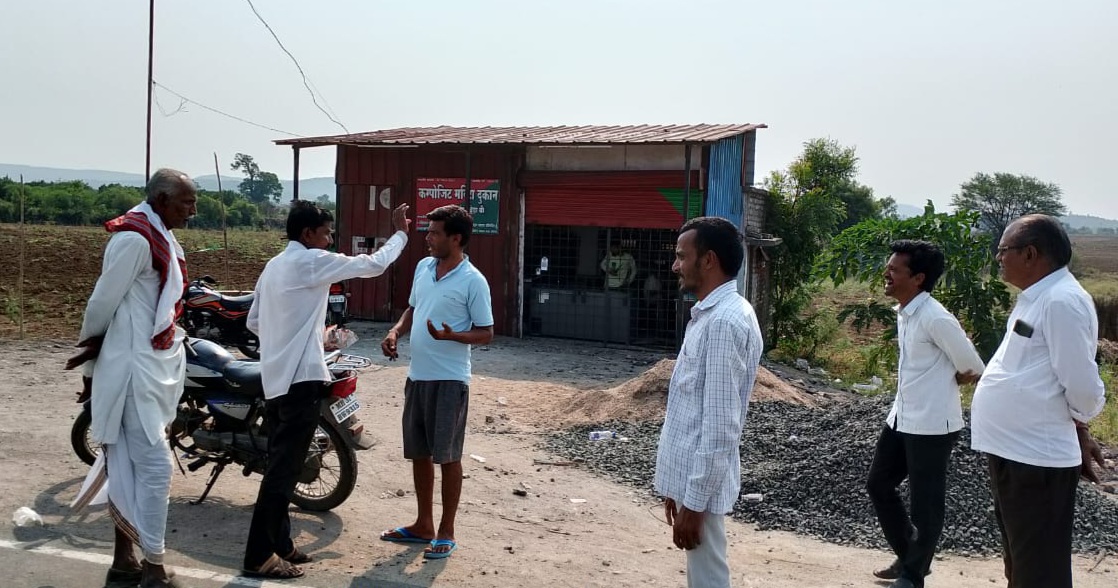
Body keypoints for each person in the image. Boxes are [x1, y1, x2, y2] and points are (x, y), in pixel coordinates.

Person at [241, 200, 410, 579]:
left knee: (283, 465)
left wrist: (304, 337)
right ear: (308, 235)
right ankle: (258, 556)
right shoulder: (311, 261)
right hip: (301, 380)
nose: (331, 239)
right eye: (327, 233)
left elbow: (254, 321)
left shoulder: (275, 265)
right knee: (282, 473)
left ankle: (282, 544)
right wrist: (401, 233)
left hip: (276, 378)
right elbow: (373, 265)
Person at [66, 168, 198, 588]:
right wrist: (90, 371)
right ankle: (154, 567)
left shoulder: (157, 232)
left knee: (124, 465)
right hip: (130, 371)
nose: (193, 211)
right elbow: (99, 307)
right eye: (186, 203)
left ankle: (124, 561)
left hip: (148, 365)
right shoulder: (134, 239)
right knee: (156, 468)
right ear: (161, 200)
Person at [971, 214, 1107, 588]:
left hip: (1037, 458)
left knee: (1040, 571)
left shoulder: (1062, 302)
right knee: (1022, 564)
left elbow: (1081, 385)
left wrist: (1081, 422)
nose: (998, 258)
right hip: (1015, 453)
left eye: (1003, 251)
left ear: (1030, 254)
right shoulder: (1037, 298)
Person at [866, 240, 986, 588]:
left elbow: (973, 366)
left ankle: (912, 575)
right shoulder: (905, 312)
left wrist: (941, 386)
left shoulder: (935, 317)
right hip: (901, 417)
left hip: (933, 424)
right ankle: (910, 555)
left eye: (894, 269)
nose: (886, 273)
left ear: (918, 278)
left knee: (925, 505)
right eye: (888, 267)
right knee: (878, 484)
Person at [379, 204, 494, 560]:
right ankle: (423, 524)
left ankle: (446, 531)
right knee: (419, 453)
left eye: (434, 233)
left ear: (455, 238)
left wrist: (452, 336)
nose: (427, 239)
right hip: (418, 377)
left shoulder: (474, 280)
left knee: (448, 457)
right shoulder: (423, 267)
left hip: (449, 381)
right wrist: (396, 332)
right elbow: (413, 309)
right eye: (427, 232)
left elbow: (487, 333)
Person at [654, 216, 763, 587]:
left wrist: (695, 502)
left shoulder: (723, 323)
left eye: (682, 256)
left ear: (708, 260)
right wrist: (678, 489)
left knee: (709, 578)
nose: (675, 265)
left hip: (704, 485)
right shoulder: (713, 315)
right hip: (696, 480)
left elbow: (720, 427)